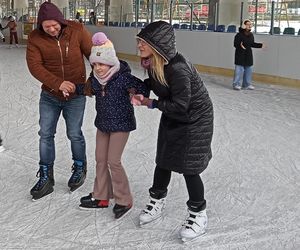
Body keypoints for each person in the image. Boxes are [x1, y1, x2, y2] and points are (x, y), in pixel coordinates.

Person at [132, 21, 214, 242]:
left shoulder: (178, 68)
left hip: (195, 119)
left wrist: (150, 103)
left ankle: (199, 214)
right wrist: (138, 88)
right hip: (175, 115)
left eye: (143, 42)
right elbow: (157, 82)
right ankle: (157, 200)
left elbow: (181, 105)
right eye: (139, 40)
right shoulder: (155, 62)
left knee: (189, 166)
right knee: (164, 159)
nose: (138, 45)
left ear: (158, 44)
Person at [68, 32, 149, 219]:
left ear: (111, 62)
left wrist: (137, 93)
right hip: (103, 124)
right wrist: (71, 88)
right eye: (94, 64)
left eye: (101, 64)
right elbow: (85, 89)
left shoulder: (124, 78)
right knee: (100, 159)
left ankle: (124, 199)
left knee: (114, 161)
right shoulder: (95, 80)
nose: (98, 68)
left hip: (121, 124)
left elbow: (145, 88)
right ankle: (102, 197)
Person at [26, 1, 93, 201]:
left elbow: (94, 55)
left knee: (74, 133)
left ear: (61, 21)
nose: (52, 29)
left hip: (76, 95)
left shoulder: (77, 30)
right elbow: (35, 66)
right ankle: (46, 176)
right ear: (41, 26)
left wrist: (90, 84)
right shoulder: (35, 38)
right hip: (50, 95)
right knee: (45, 134)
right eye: (47, 27)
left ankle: (80, 166)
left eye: (54, 25)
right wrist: (58, 83)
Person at [233, 19, 266, 90]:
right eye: (248, 24)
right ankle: (236, 84)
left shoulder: (251, 35)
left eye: (250, 24)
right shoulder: (239, 35)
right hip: (240, 55)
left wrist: (260, 45)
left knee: (248, 70)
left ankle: (246, 84)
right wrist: (240, 46)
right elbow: (235, 44)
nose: (250, 26)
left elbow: (252, 44)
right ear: (244, 25)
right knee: (239, 70)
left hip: (248, 55)